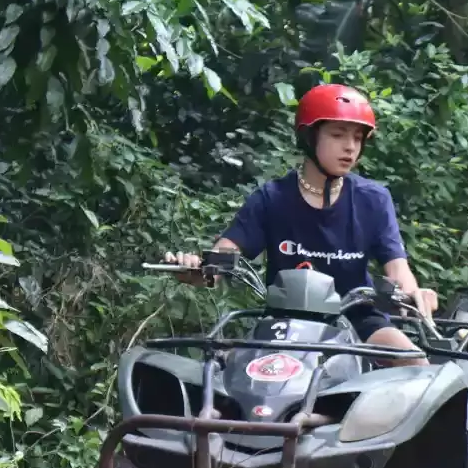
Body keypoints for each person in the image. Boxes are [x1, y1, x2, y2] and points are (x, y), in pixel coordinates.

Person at [166, 83, 436, 361]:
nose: (350, 147)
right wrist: (197, 270)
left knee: (414, 360)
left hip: (358, 317)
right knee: (227, 375)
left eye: (357, 137)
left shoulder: (373, 200)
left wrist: (414, 294)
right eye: (338, 134)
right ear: (309, 137)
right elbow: (223, 256)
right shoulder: (272, 198)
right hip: (283, 324)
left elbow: (397, 269)